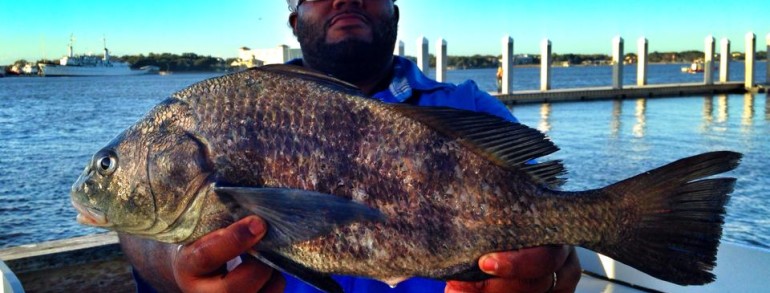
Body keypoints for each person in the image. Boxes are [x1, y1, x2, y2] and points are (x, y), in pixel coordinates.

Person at [119, 0, 582, 292]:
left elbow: (550, 221)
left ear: (395, 12)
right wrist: (175, 267)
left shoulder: (472, 109)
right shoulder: (230, 108)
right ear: (294, 20)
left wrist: (554, 272)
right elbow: (133, 224)